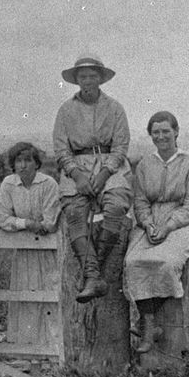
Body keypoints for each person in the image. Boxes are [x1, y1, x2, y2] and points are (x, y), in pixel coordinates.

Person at [52, 55, 132, 303]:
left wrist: (105, 173)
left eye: (92, 76)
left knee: (116, 206)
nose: (88, 80)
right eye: (83, 76)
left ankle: (93, 271)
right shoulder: (66, 110)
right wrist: (76, 175)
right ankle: (93, 276)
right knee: (75, 213)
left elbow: (120, 146)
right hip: (76, 167)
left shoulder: (115, 108)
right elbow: (61, 149)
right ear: (76, 80)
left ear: (100, 78)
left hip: (110, 166)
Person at [124, 111, 189, 353]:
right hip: (151, 223)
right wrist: (148, 224)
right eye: (155, 132)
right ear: (150, 135)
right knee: (132, 262)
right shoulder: (146, 164)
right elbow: (139, 201)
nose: (161, 136)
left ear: (176, 132)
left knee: (167, 263)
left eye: (166, 131)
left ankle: (150, 322)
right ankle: (150, 325)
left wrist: (168, 226)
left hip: (180, 224)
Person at [0, 141, 61, 342]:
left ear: (36, 163)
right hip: (23, 252)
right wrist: (27, 223)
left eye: (27, 160)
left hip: (47, 250)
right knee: (24, 293)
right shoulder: (9, 184)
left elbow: (49, 223)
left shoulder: (48, 184)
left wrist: (35, 225)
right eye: (18, 161)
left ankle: (51, 345)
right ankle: (24, 344)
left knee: (49, 292)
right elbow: (3, 219)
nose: (22, 165)